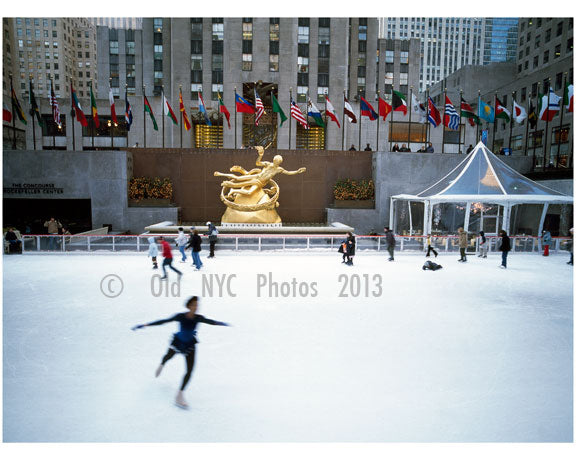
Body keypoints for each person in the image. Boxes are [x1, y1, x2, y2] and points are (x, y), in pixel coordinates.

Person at [131, 296, 229, 409]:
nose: (196, 307)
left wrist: (222, 323)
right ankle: (162, 364)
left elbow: (211, 322)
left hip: (190, 345)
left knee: (190, 370)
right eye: (194, 305)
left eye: (197, 305)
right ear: (188, 306)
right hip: (178, 342)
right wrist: (145, 325)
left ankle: (179, 394)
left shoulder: (198, 318)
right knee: (168, 357)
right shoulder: (180, 316)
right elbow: (163, 321)